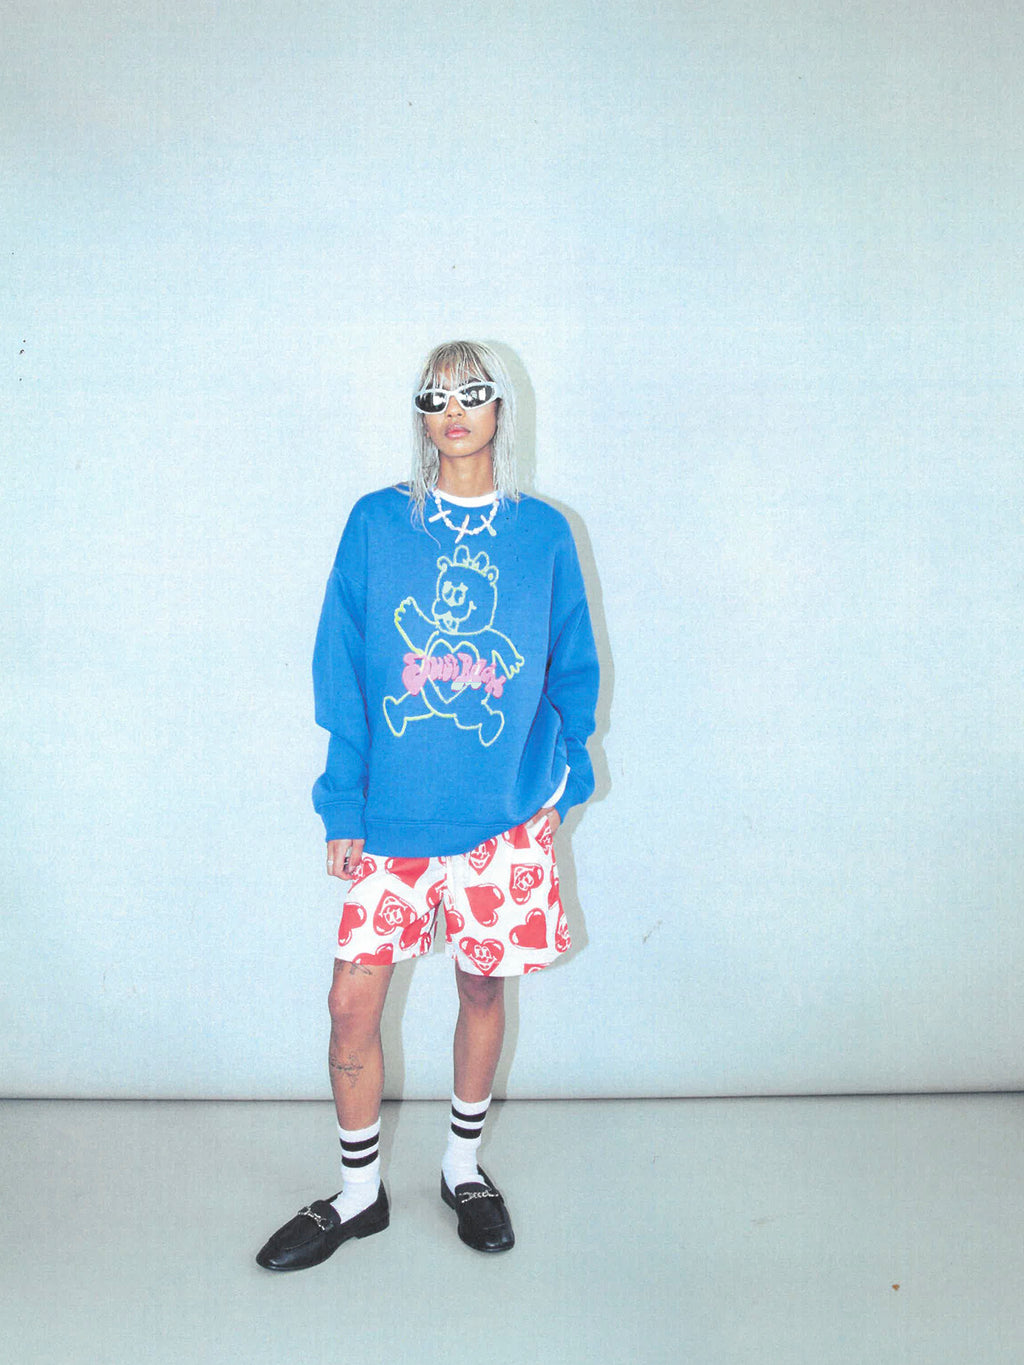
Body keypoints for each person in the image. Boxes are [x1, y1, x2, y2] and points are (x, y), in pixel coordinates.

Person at [256, 340, 600, 1270]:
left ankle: (462, 1168)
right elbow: (341, 667)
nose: (454, 410)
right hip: (394, 825)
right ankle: (358, 1193)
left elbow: (573, 669)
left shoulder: (544, 534)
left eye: (472, 393)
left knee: (482, 987)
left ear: (500, 409)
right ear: (420, 414)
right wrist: (344, 803)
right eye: (435, 396)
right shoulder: (378, 523)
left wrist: (560, 783)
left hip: (503, 823)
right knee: (350, 1001)